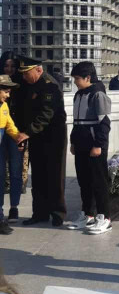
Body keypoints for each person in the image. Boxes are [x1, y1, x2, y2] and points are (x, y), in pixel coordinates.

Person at [16, 56, 67, 227]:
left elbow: (46, 114)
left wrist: (27, 133)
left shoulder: (49, 85)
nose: (24, 77)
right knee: (38, 176)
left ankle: (58, 213)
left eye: (26, 73)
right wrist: (22, 134)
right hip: (35, 136)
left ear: (38, 70)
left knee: (54, 175)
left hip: (53, 136)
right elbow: (24, 112)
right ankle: (40, 213)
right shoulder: (28, 85)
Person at [68, 61, 112, 234]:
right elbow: (76, 121)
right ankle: (88, 215)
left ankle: (105, 217)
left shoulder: (98, 94)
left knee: (98, 182)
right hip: (80, 145)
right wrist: (73, 141)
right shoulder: (78, 95)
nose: (75, 82)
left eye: (77, 78)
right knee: (84, 181)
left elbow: (105, 123)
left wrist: (98, 145)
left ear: (87, 77)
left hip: (95, 146)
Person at [0, 52, 28, 226]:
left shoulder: (21, 86)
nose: (9, 69)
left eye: (12, 66)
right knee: (1, 173)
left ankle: (14, 207)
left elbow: (14, 120)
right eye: (6, 65)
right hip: (4, 133)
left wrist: (21, 136)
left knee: (16, 172)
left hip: (14, 133)